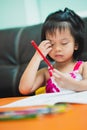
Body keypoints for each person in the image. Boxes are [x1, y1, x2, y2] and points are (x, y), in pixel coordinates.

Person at [19, 7, 87, 95]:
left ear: (76, 45)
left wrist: (71, 84)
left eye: (64, 43)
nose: (57, 49)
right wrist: (37, 57)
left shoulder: (83, 67)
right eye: (51, 44)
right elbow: (24, 89)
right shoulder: (46, 73)